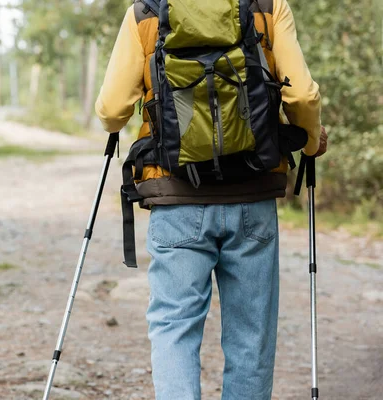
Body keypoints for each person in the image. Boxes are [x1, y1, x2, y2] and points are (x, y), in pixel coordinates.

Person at [95, 0, 329, 399]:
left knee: (174, 327)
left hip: (176, 196)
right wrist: (308, 142)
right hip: (252, 197)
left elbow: (112, 109)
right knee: (251, 334)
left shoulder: (146, 13)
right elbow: (303, 97)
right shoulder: (268, 7)